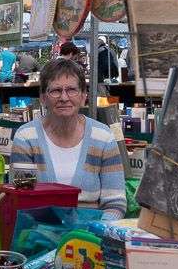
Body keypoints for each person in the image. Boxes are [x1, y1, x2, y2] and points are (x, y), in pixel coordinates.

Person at [11, 59, 126, 219]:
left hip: (90, 237)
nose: (64, 97)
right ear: (43, 98)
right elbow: (22, 199)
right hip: (40, 235)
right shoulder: (27, 137)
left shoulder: (103, 137)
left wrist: (95, 231)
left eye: (72, 90)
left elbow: (115, 203)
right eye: (56, 90)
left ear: (83, 96)